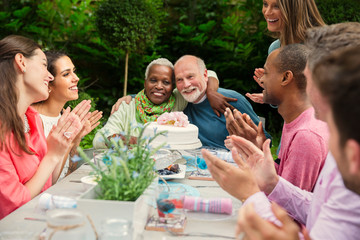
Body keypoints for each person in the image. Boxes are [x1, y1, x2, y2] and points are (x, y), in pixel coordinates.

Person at [203, 23, 360, 240]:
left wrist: (250, 194)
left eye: (311, 80)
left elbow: (290, 224)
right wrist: (272, 182)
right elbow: (318, 210)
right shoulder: (337, 140)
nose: (308, 91)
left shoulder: (312, 135)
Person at [0, 35, 82, 219]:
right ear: (21, 62)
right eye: (44, 65)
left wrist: (63, 145)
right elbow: (14, 206)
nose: (50, 76)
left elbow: (47, 183)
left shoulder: (32, 119)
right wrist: (52, 155)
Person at [231, 44, 328, 191]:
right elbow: (281, 180)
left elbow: (288, 207)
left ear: (286, 77)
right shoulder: (296, 120)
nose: (261, 80)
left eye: (267, 73)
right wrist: (257, 148)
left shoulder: (306, 136)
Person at [32, 51, 102, 180]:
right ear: (48, 82)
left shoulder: (63, 118)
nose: (76, 78)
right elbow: (48, 183)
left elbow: (67, 175)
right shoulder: (31, 120)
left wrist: (76, 138)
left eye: (73, 71)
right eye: (66, 74)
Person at [93, 58, 188, 149]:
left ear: (173, 86)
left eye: (166, 82)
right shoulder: (127, 106)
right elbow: (99, 139)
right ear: (145, 83)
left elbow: (196, 81)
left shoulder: (178, 100)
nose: (159, 86)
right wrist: (119, 139)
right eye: (153, 80)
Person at [248, 0, 325, 104]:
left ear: (295, 10)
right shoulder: (274, 48)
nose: (267, 12)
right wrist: (273, 91)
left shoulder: (321, 47)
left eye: (276, 6)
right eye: (265, 4)